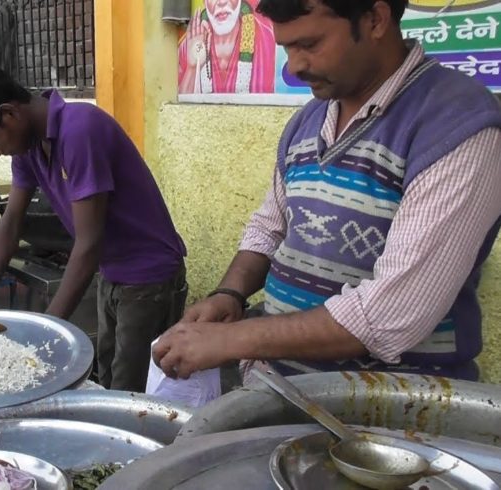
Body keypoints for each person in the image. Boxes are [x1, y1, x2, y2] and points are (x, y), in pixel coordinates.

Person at [154, 0, 501, 382]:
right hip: (283, 389)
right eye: (287, 47)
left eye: (310, 44)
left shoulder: (459, 124)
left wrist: (233, 340)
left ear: (375, 18)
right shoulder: (309, 120)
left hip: (394, 414)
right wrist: (230, 294)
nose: (294, 66)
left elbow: (391, 315)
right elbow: (270, 228)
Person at [0, 66, 188, 392]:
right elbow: (11, 221)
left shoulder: (79, 129)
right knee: (108, 375)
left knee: (132, 391)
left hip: (149, 279)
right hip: (112, 274)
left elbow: (89, 242)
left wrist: (46, 327)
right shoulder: (30, 148)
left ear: (9, 113)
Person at [178, 0, 276, 94]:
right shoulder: (191, 43)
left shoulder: (267, 39)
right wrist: (192, 68)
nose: (222, 2)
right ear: (205, 1)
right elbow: (180, 106)